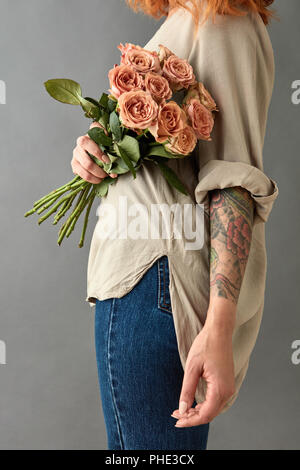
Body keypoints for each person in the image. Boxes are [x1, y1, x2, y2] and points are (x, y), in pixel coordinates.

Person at [71, 0, 278, 450]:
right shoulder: (188, 22)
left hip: (154, 282)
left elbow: (233, 185)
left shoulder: (224, 22)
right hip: (140, 280)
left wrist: (218, 326)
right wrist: (97, 149)